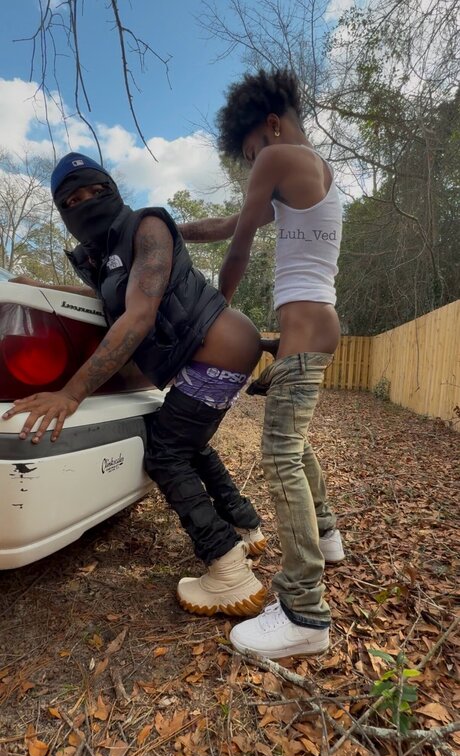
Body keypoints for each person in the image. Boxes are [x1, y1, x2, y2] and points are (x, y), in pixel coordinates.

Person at [2, 152, 268, 618]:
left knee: (164, 453)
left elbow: (139, 313)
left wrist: (71, 393)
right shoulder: (104, 256)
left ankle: (229, 571)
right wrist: (42, 286)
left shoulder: (147, 227)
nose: (86, 202)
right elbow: (112, 297)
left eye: (95, 191)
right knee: (185, 442)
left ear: (113, 190)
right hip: (212, 355)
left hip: (217, 353)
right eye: (72, 200)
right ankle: (247, 528)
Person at [178, 68, 345, 659]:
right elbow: (230, 223)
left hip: (303, 336)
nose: (253, 164)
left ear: (271, 126)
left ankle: (305, 613)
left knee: (278, 455)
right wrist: (170, 230)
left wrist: (211, 315)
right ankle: (326, 534)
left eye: (250, 154)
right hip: (313, 329)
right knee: (293, 444)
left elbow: (240, 245)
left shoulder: (279, 159)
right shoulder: (312, 172)